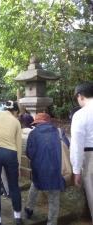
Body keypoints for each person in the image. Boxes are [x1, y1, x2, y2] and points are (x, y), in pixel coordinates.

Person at [25, 113, 66, 225]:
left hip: (39, 169)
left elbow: (29, 153)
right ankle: (52, 222)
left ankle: (29, 209)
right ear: (49, 121)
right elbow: (67, 147)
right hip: (56, 170)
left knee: (35, 186)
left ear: (38, 122)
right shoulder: (59, 132)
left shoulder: (33, 134)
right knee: (54, 197)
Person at [70, 82, 93, 223]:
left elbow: (77, 145)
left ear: (80, 96)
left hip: (90, 158)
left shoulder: (80, 114)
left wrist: (76, 170)